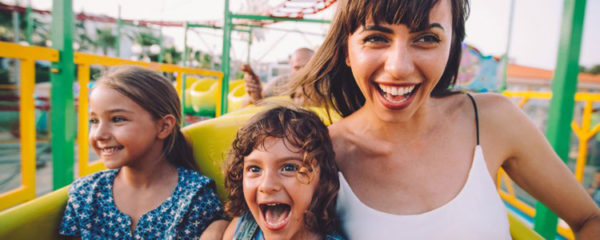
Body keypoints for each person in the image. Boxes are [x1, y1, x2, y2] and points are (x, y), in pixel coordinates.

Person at [289, 0, 600, 238]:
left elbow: (589, 219)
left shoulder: (492, 120)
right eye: (376, 39)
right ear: (347, 50)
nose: (398, 66)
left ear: (452, 47)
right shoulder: (318, 155)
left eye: (426, 39)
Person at [59, 66, 225, 239]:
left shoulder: (195, 197)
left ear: (163, 126)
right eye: (94, 121)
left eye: (117, 119)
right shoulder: (85, 194)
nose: (99, 134)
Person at [222, 106, 343, 239]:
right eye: (254, 169)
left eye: (289, 168)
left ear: (322, 179)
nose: (266, 186)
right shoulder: (241, 226)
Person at [242, 47, 314, 106]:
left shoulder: (322, 88)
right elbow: (248, 103)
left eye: (307, 67)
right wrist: (256, 97)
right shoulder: (280, 83)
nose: (302, 72)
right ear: (291, 67)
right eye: (297, 68)